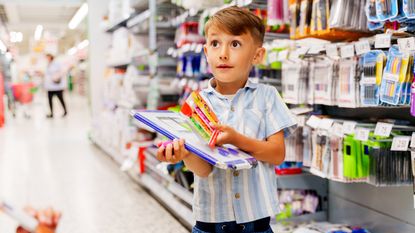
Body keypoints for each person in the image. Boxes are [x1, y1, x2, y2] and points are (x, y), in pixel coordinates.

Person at [156, 6, 297, 233]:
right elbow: (202, 170)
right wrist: (184, 155)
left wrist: (237, 139)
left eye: (235, 44)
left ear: (257, 55)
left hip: (256, 224)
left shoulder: (267, 97)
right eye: (215, 44)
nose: (223, 53)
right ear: (206, 52)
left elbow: (277, 154)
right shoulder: (195, 104)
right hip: (210, 223)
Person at [44, 54, 67, 118]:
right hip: (50, 87)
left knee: (61, 99)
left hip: (57, 86)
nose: (46, 58)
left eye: (47, 57)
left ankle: (65, 111)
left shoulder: (57, 64)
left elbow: (62, 72)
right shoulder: (48, 64)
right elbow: (47, 75)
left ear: (51, 57)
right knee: (50, 101)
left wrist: (56, 77)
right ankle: (51, 113)